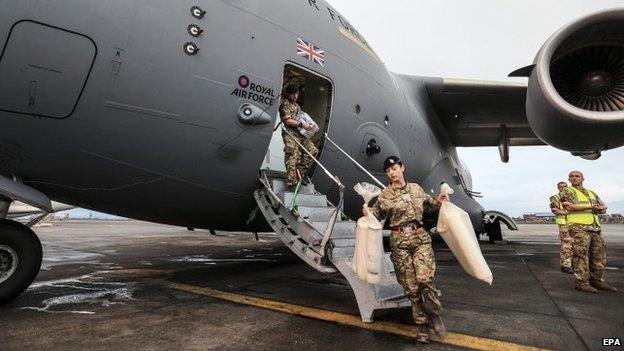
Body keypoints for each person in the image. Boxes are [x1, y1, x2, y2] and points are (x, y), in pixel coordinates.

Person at [364, 156, 449, 344]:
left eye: (394, 168)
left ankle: (434, 314)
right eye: (388, 171)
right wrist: (367, 211)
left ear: (402, 168)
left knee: (425, 279)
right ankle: (422, 325)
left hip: (420, 238)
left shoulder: (417, 189)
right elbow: (376, 214)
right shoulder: (385, 194)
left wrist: (440, 200)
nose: (391, 172)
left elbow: (430, 205)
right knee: (411, 287)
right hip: (399, 242)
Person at [560, 170, 617, 293]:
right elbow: (569, 206)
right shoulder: (568, 191)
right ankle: (581, 282)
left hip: (595, 228)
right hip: (579, 228)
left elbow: (602, 206)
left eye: (577, 176)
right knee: (581, 256)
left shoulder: (591, 193)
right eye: (572, 176)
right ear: (569, 179)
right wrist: (592, 207)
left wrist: (601, 209)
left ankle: (597, 281)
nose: (574, 178)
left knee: (599, 256)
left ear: (583, 179)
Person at [279, 84, 318, 187]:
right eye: (293, 94)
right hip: (290, 133)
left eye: (297, 94)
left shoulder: (297, 106)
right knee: (292, 154)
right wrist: (301, 124)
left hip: (300, 133)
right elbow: (287, 121)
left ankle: (299, 174)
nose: (295, 96)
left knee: (312, 151)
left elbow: (302, 117)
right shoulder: (285, 104)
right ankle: (292, 181)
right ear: (288, 94)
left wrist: (310, 124)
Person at [550, 181, 573, 274]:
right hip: (564, 224)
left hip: (575, 224)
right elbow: (556, 211)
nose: (563, 188)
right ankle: (565, 265)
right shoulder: (555, 198)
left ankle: (575, 264)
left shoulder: (572, 197)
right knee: (567, 244)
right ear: (558, 188)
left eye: (565, 186)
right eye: (561, 186)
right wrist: (573, 212)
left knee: (577, 245)